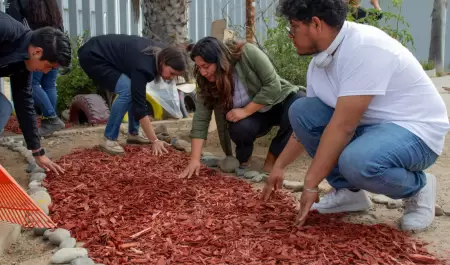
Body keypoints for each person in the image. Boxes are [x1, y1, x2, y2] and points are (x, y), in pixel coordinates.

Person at [262, 0, 450, 231]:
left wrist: (310, 184)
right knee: (301, 110)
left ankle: (419, 188)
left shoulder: (364, 48)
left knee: (357, 162)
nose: (290, 35)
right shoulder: (319, 64)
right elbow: (305, 130)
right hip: (372, 130)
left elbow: (343, 127)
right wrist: (279, 166)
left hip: (415, 132)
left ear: (316, 24)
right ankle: (349, 193)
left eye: (293, 27)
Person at [179, 37, 305, 179]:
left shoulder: (247, 53)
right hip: (254, 118)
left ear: (220, 59)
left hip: (276, 102)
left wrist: (245, 111)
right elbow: (201, 119)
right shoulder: (205, 80)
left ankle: (272, 159)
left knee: (299, 103)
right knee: (240, 128)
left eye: (206, 66)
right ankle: (244, 160)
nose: (203, 72)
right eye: (199, 67)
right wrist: (195, 160)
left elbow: (273, 85)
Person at [78, 34, 187, 155]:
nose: (170, 79)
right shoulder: (144, 66)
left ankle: (133, 133)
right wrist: (154, 140)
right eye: (171, 73)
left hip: (100, 52)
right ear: (163, 62)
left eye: (174, 76)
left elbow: (138, 94)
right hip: (93, 56)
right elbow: (140, 108)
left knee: (135, 89)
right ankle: (109, 139)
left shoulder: (162, 54)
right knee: (127, 90)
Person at [0, 11, 71, 174]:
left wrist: (37, 151)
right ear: (37, 52)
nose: (46, 72)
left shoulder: (23, 64)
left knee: (3, 107)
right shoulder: (5, 29)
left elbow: (24, 103)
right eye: (49, 66)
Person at [6, 0, 66, 137]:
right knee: (49, 84)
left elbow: (14, 23)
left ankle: (51, 118)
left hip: (37, 48)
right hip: (56, 46)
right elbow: (60, 24)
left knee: (31, 85)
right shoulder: (51, 3)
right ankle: (49, 122)